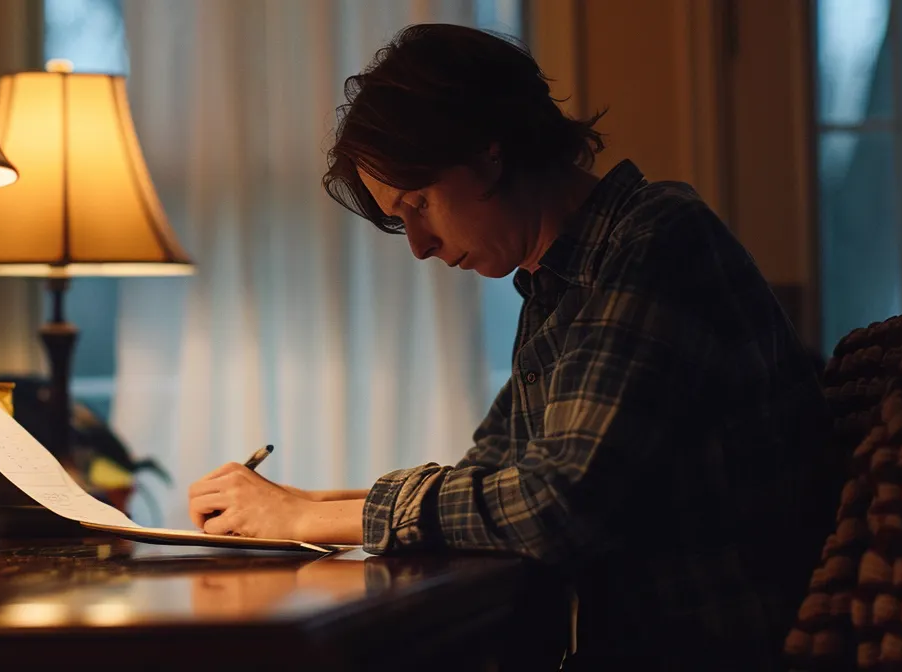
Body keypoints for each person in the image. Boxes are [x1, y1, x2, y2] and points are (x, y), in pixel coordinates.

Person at [185, 23, 843, 669]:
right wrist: (304, 506)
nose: (418, 245)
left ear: (488, 151)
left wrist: (304, 514)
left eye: (419, 202)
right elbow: (491, 477)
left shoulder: (654, 245)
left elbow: (554, 508)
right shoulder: (558, 282)